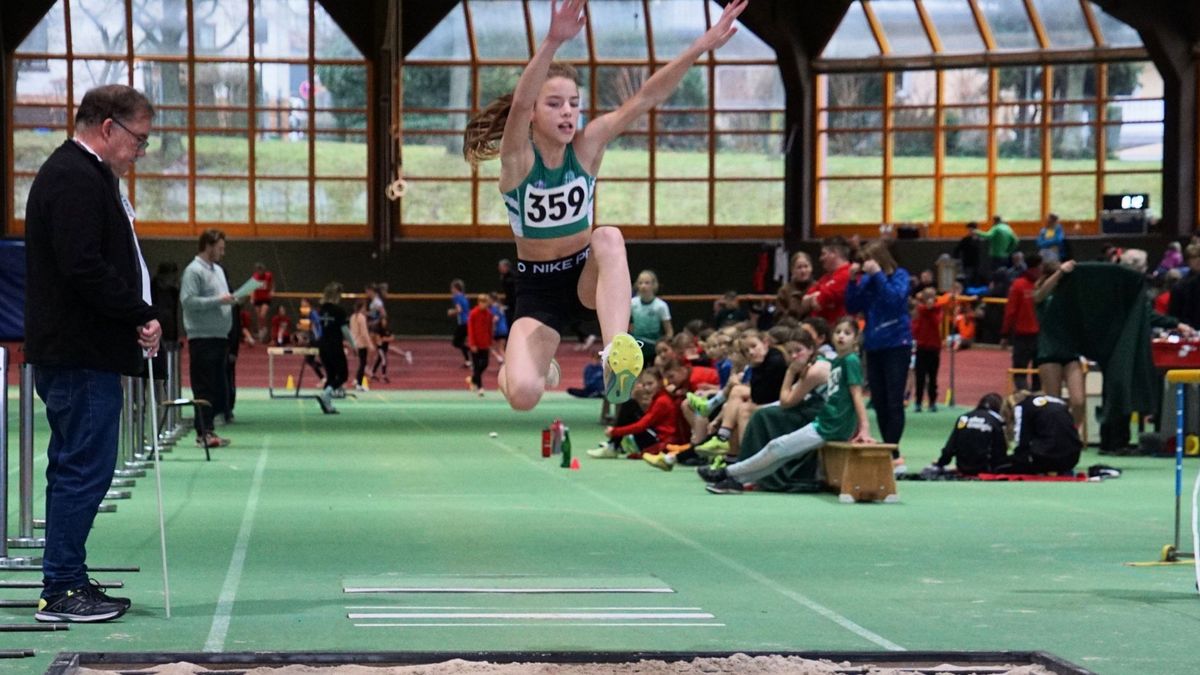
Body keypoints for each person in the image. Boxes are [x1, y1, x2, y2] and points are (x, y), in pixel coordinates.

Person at [462, 0, 749, 409]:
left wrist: (699, 47)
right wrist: (552, 41)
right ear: (532, 115)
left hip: (586, 277)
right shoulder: (519, 160)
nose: (567, 112)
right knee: (523, 395)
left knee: (609, 236)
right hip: (538, 290)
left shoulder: (587, 146)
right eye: (554, 103)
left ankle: (617, 352)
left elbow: (646, 97)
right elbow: (520, 103)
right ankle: (522, 367)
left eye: (573, 103)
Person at [24, 83, 161, 622]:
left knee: (75, 466)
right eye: (139, 139)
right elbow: (83, 266)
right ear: (108, 127)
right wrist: (138, 312)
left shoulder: (85, 176)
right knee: (84, 468)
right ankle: (61, 587)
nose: (140, 151)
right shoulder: (74, 177)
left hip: (82, 351)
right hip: (78, 354)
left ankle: (66, 578)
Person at [699, 316, 875, 494]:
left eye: (847, 333)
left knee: (777, 447)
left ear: (856, 338)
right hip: (826, 420)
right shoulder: (837, 361)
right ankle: (736, 481)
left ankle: (727, 472)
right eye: (837, 332)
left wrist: (864, 429)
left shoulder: (851, 360)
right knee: (780, 453)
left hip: (833, 425)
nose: (841, 336)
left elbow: (857, 395)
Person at [845, 240, 912, 469]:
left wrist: (878, 276)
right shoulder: (867, 280)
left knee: (894, 400)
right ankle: (888, 448)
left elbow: (894, 301)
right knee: (880, 400)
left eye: (867, 260)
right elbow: (852, 306)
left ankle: (892, 449)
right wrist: (852, 281)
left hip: (897, 343)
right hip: (874, 345)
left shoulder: (900, 276)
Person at [181, 228, 235, 449]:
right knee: (204, 386)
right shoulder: (193, 271)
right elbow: (188, 301)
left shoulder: (218, 270)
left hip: (219, 337)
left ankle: (209, 429)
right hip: (202, 338)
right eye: (220, 248)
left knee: (216, 387)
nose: (222, 252)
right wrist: (218, 301)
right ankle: (202, 432)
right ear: (208, 246)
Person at [1032, 259, 1085, 428]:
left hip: (1070, 353)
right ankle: (1054, 434)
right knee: (1054, 403)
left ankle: (1072, 432)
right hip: (1049, 353)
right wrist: (1060, 272)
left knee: (1078, 401)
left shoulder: (1070, 298)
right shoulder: (1043, 297)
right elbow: (1039, 296)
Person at [998, 390, 1082, 474]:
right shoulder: (1057, 402)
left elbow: (1021, 442)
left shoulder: (1020, 407)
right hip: (1073, 457)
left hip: (1046, 458)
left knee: (1006, 463)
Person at [926, 393, 1008, 476]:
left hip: (963, 467)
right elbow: (1000, 450)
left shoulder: (963, 418)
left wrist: (940, 463)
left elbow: (950, 447)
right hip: (986, 468)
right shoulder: (996, 421)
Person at [1002, 253, 1041, 392]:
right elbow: (1010, 312)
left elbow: (1010, 312)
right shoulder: (1041, 285)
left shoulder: (1018, 285)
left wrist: (1005, 334)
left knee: (1021, 371)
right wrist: (1005, 333)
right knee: (1034, 372)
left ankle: (1025, 397)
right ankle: (1033, 397)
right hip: (1031, 335)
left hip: (1027, 336)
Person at [316, 282, 357, 413]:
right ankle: (325, 395)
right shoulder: (339, 311)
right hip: (334, 346)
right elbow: (345, 331)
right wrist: (353, 345)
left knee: (331, 376)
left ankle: (327, 405)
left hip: (323, 346)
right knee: (343, 375)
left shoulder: (321, 310)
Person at [801, 237, 853, 325]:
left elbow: (818, 302)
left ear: (834, 253)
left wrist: (815, 296)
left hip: (838, 329)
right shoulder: (826, 277)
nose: (820, 258)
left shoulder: (847, 274)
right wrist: (815, 296)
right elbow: (804, 303)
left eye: (823, 254)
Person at [910, 286, 944, 413]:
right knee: (920, 376)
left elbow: (936, 322)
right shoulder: (919, 310)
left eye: (932, 297)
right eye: (927, 297)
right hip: (922, 347)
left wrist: (930, 309)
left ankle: (932, 402)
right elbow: (914, 328)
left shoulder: (938, 310)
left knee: (933, 377)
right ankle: (918, 402)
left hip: (934, 347)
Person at [630, 270, 673, 366]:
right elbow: (629, 325)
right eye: (640, 283)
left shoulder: (661, 306)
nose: (643, 286)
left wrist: (663, 346)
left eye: (647, 283)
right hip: (637, 346)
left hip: (654, 347)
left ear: (654, 285)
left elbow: (669, 331)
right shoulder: (632, 303)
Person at [466, 293, 495, 395]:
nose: (483, 304)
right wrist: (472, 344)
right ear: (478, 302)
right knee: (477, 366)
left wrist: (490, 341)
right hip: (475, 344)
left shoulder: (489, 314)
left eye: (485, 302)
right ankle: (480, 387)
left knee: (485, 364)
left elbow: (490, 328)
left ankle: (473, 379)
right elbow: (470, 329)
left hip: (485, 343)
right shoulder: (473, 313)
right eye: (481, 302)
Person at [776, 251, 816, 321]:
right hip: (790, 325)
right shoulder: (784, 291)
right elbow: (779, 316)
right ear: (792, 270)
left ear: (811, 268)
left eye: (806, 266)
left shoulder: (818, 287)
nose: (803, 271)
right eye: (799, 267)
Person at [952, 221, 986, 287]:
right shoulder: (965, 240)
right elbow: (957, 250)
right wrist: (957, 260)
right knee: (967, 277)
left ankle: (975, 288)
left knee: (976, 276)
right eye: (969, 230)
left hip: (976, 262)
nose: (970, 232)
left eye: (971, 230)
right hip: (967, 262)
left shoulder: (979, 239)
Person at [447, 278, 471, 369]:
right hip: (468, 321)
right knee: (462, 342)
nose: (451, 290)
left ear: (456, 288)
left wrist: (451, 312)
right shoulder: (465, 296)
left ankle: (472, 351)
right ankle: (468, 361)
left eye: (452, 288)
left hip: (463, 322)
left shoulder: (456, 297)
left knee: (456, 342)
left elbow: (459, 310)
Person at [350, 299, 371, 390]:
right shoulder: (361, 317)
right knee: (363, 363)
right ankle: (359, 383)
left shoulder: (352, 317)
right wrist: (369, 344)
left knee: (361, 363)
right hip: (361, 343)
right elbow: (364, 333)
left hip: (354, 342)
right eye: (364, 307)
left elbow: (351, 331)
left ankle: (357, 380)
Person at [251, 262, 273, 341]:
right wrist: (252, 298)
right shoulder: (255, 277)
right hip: (257, 298)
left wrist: (272, 291)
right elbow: (252, 288)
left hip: (265, 298)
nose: (260, 272)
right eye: (258, 270)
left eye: (261, 270)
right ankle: (260, 330)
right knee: (258, 316)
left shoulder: (268, 275)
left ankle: (265, 328)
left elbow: (272, 284)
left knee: (262, 315)